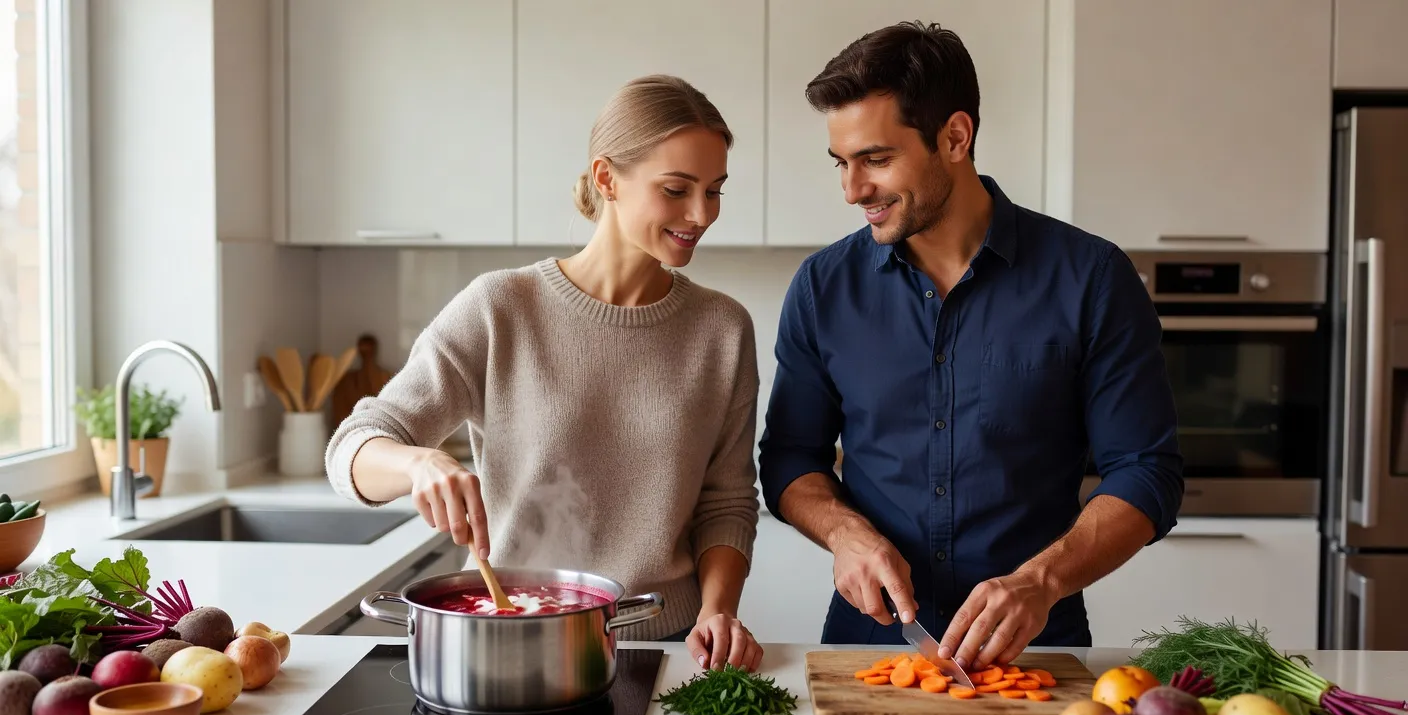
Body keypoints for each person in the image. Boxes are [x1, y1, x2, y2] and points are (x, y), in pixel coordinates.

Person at [757, 22, 1183, 671]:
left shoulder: (1091, 278)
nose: (851, 190)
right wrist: (845, 534)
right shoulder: (824, 288)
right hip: (870, 648)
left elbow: (1147, 471)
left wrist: (1041, 580)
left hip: (1037, 652)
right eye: (841, 163)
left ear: (955, 137)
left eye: (875, 159)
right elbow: (789, 460)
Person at [325, 74, 765, 672]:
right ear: (607, 178)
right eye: (676, 189)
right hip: (512, 641)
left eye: (714, 190)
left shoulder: (722, 329)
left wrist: (719, 608)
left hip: (665, 646)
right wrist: (417, 463)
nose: (701, 214)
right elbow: (351, 450)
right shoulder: (501, 307)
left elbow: (728, 502)